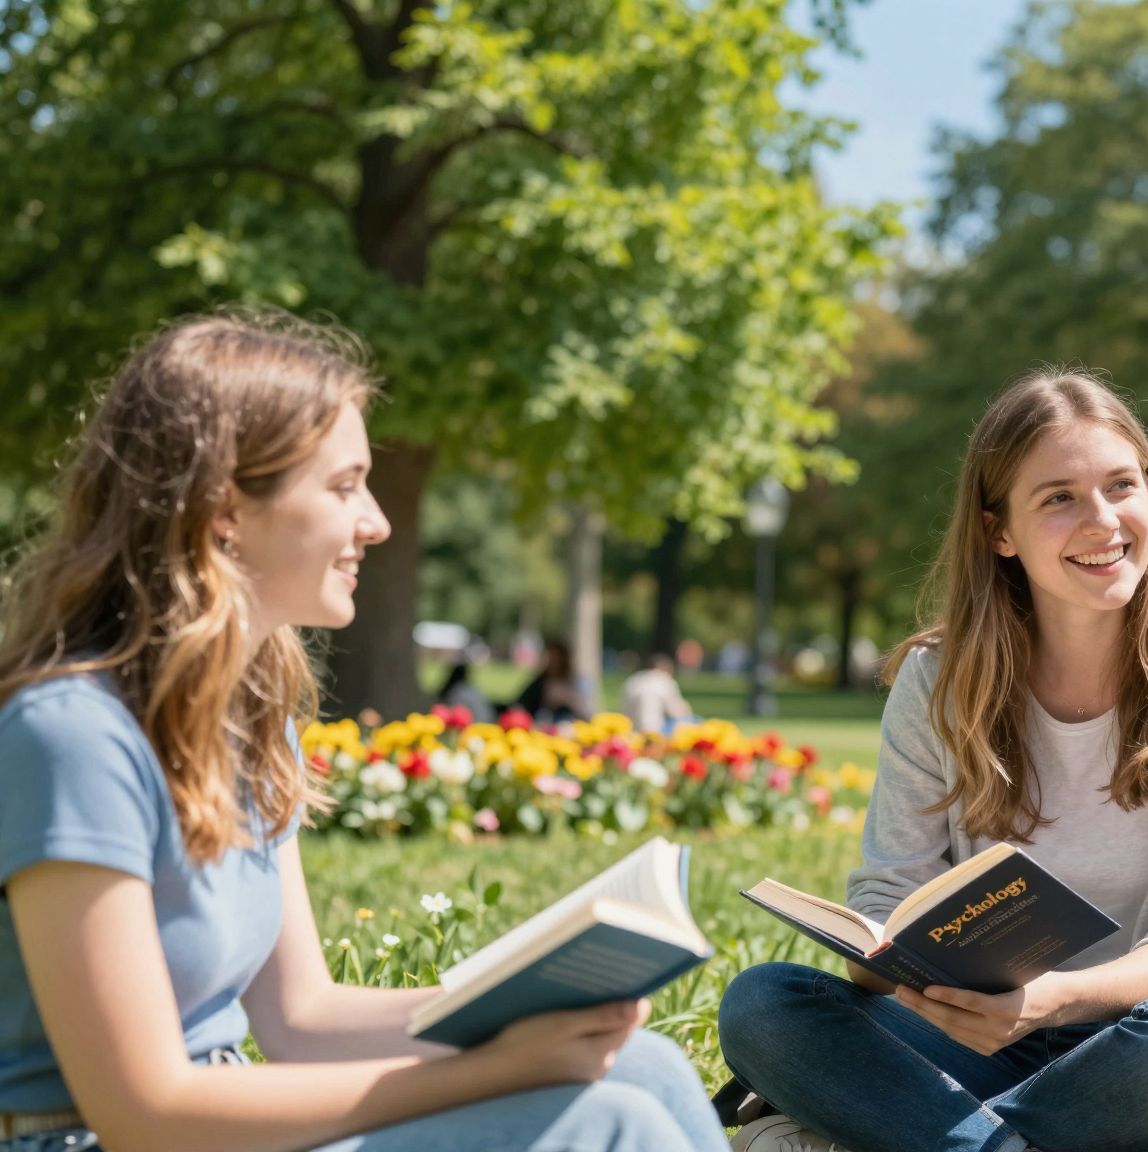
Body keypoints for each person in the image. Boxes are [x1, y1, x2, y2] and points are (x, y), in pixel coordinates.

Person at [0, 313, 727, 1152]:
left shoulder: (252, 719)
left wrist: (537, 1018)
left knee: (649, 1067)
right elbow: (143, 1112)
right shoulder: (71, 736)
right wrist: (498, 1068)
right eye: (344, 487)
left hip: (228, 1117)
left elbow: (303, 1019)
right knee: (611, 1126)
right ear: (224, 507)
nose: (376, 522)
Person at [717, 370, 1148, 1152]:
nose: (1103, 521)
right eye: (1058, 497)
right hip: (970, 1042)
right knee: (763, 1004)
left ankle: (889, 1133)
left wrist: (1054, 999)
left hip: (1142, 1048)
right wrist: (885, 954)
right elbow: (892, 891)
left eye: (1123, 486)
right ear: (999, 532)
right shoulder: (937, 678)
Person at [512, 638, 587, 725]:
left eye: (556, 658)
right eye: (550, 658)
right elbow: (520, 705)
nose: (553, 662)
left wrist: (566, 698)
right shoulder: (541, 681)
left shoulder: (577, 681)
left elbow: (584, 710)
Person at [621, 653, 692, 736]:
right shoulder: (664, 680)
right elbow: (678, 712)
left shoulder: (632, 680)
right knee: (694, 720)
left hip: (632, 730)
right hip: (657, 731)